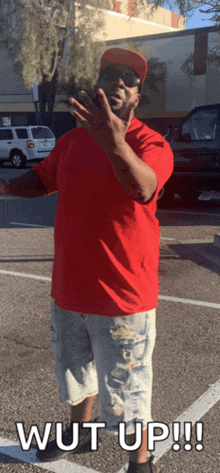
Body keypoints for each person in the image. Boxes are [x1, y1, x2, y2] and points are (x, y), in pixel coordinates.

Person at [0, 48, 173, 473]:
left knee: (129, 391)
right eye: (111, 73)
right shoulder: (72, 140)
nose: (118, 81)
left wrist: (114, 143)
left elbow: (144, 187)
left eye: (129, 79)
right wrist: (3, 186)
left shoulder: (150, 143)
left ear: (137, 95)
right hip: (69, 290)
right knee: (74, 376)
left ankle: (140, 461)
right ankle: (79, 434)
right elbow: (40, 180)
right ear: (98, 82)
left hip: (123, 295)